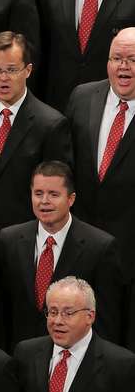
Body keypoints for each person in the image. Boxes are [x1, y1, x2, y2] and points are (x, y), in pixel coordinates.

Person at [0, 161, 123, 348]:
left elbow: (107, 321)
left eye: (53, 194)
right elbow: (1, 307)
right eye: (38, 194)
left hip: (74, 359)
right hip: (20, 356)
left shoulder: (99, 246)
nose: (44, 201)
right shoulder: (9, 239)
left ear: (71, 199)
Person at [0, 31, 72, 228]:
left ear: (28, 70)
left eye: (11, 70)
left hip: (23, 236)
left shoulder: (51, 124)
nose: (2, 78)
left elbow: (54, 190)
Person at [64, 28, 135, 270]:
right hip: (79, 246)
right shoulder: (82, 97)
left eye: (132, 60)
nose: (123, 67)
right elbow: (67, 163)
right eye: (116, 58)